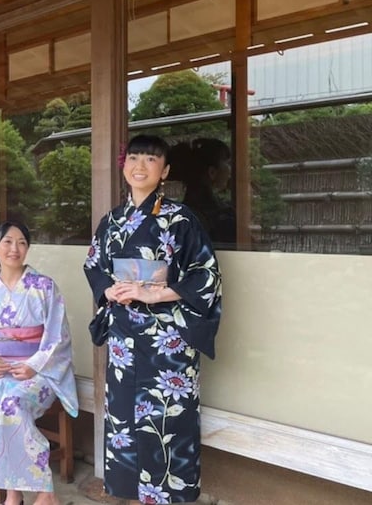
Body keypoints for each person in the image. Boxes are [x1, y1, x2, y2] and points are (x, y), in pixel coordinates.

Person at [84, 134, 222, 504]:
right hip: (124, 340)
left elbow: (205, 275)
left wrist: (154, 293)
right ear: (123, 165)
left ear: (165, 171)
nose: (140, 166)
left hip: (168, 341)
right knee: (125, 421)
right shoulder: (112, 220)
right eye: (134, 158)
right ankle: (131, 495)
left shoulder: (181, 219)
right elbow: (95, 265)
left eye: (150, 159)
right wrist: (109, 290)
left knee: (168, 420)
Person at [0, 221, 78, 505]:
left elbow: (57, 336)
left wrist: (34, 365)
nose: (14, 248)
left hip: (39, 372)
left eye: (22, 242)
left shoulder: (44, 287)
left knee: (11, 405)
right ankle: (14, 491)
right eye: (8, 242)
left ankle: (45, 492)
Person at [171, 138, 236, 246]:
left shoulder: (184, 210)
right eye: (227, 163)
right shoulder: (219, 215)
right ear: (212, 172)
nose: (230, 170)